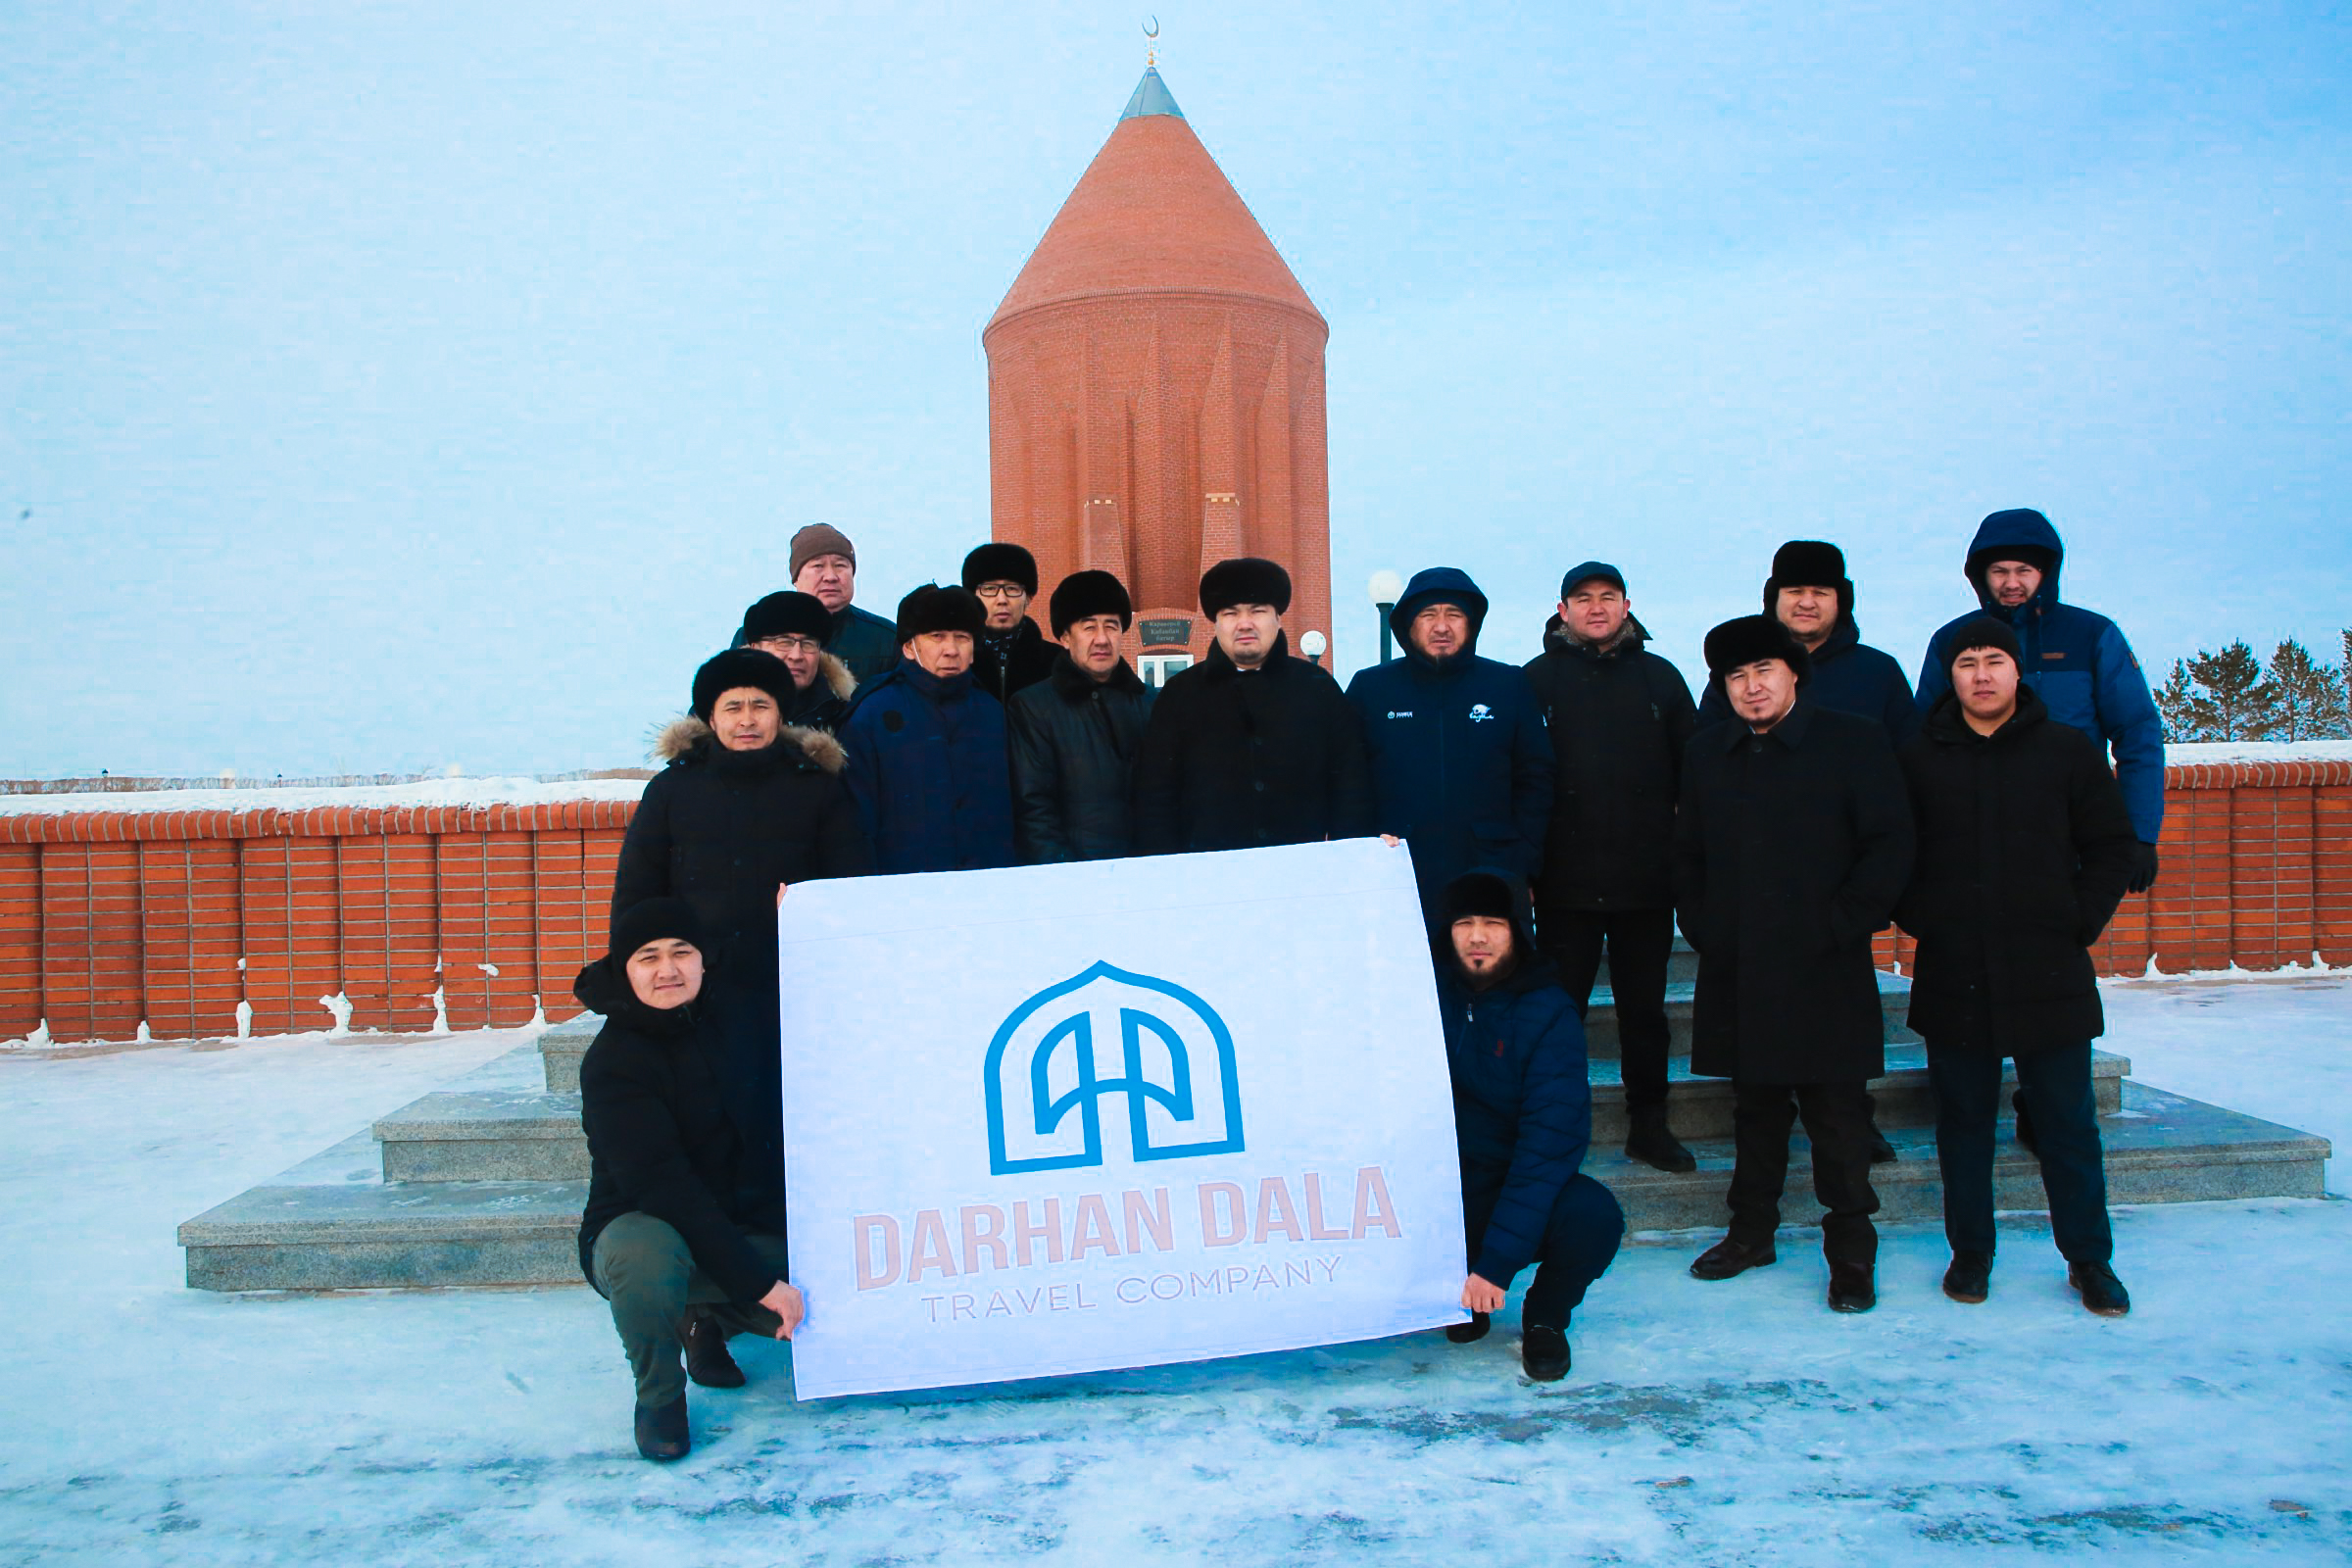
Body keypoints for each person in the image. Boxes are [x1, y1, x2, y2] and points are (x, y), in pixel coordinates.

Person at [1897, 619, 2139, 1315]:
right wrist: (1929, 919)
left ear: (2018, 670)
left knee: (2066, 1124)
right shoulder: (1917, 757)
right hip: (1955, 969)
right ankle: (1971, 1252)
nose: (1981, 674)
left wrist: (2077, 919)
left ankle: (2089, 1259)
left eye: (1994, 660)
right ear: (1950, 675)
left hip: (2049, 970)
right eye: (1966, 662)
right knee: (1963, 1124)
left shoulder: (2066, 750)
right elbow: (1891, 852)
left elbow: (2111, 845)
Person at [1675, 615, 1914, 1312]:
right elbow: (1687, 853)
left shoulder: (1851, 740)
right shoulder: (1708, 752)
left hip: (1824, 963)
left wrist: (1841, 923)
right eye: (1737, 676)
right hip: (1741, 963)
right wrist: (1707, 927)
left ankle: (1852, 1250)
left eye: (1764, 672)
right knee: (1755, 1108)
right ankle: (1751, 1232)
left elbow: (1890, 843)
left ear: (1794, 676)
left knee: (1837, 1114)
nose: (1751, 687)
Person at [612, 648, 871, 1197]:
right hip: (699, 988)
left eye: (760, 705)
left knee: (786, 1110)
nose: (747, 720)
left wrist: (814, 913)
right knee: (709, 1112)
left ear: (780, 713)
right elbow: (637, 890)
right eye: (733, 707)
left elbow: (850, 885)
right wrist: (636, 973)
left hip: (790, 985)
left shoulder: (815, 786)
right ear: (711, 716)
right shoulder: (672, 790)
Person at [575, 898, 802, 1462]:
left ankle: (706, 1319)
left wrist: (805, 917)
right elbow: (663, 1188)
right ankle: (659, 1396)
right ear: (624, 969)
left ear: (704, 960)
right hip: (646, 1225)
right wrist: (763, 1286)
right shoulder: (613, 1062)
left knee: (845, 1278)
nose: (668, 969)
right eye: (648, 957)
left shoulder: (738, 1022)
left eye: (682, 952)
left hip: (737, 1221)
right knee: (646, 1254)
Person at [1522, 562, 1699, 1173]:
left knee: (1644, 1015)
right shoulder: (1535, 680)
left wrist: (1682, 857)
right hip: (1563, 885)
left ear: (1626, 605)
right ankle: (1555, 1126)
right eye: (1582, 598)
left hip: (1645, 883)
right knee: (1558, 1014)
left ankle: (1649, 1125)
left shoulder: (1660, 678)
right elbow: (1519, 775)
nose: (1595, 607)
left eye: (1607, 596)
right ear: (1562, 610)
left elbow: (1694, 775)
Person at [1435, 868, 1626, 1382]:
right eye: (1464, 923)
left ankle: (1544, 1318)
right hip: (1440, 1186)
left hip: (1510, 1179)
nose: (1477, 936)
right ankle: (1457, 1299)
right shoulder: (1421, 994)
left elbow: (1547, 1146)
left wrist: (1496, 1263)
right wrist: (1373, 862)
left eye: (1493, 924)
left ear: (1517, 931)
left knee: (1592, 1216)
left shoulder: (1547, 1012)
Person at [1916, 509, 2164, 881]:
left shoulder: (2091, 635)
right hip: (1970, 835)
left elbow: (2137, 732)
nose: (2011, 583)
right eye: (1999, 571)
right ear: (1981, 575)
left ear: (2045, 572)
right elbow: (1922, 738)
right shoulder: (1952, 639)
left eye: (2023, 571)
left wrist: (2139, 832)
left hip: (2071, 835)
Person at [1345, 567, 1551, 925]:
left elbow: (1537, 778)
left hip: (1493, 872)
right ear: (1408, 626)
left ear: (1472, 624)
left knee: (1491, 963)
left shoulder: (1508, 684)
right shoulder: (1371, 689)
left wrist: (1524, 864)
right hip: (1396, 872)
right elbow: (1347, 780)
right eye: (1428, 615)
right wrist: (1363, 849)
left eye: (1454, 615)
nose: (1441, 626)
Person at [1133, 558, 1375, 855]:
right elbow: (1156, 797)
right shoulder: (1180, 694)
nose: (1245, 623)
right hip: (1207, 872)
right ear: (1216, 623)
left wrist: (1348, 858)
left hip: (1303, 869)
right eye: (1231, 613)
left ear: (1278, 618)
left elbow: (1351, 788)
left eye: (1258, 611)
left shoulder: (1317, 687)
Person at [838, 583, 1016, 874]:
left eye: (962, 638)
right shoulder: (872, 713)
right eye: (937, 637)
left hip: (987, 884)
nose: (951, 650)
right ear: (909, 647)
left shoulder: (992, 713)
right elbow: (856, 822)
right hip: (904, 886)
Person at [1698, 540, 1919, 745]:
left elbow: (1908, 753)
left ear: (1841, 601)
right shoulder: (1739, 670)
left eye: (1820, 593)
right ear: (1774, 598)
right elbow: (1707, 749)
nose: (1806, 603)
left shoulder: (1879, 671)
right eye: (1795, 592)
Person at [1007, 568, 1155, 862]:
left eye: (1111, 626)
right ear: (1065, 637)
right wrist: (1064, 872)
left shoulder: (1150, 703)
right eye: (1088, 627)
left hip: (1145, 871)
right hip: (1074, 874)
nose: (1102, 639)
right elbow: (1034, 807)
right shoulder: (1033, 707)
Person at [744, 523, 899, 685]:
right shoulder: (756, 632)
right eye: (818, 566)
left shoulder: (886, 639)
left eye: (840, 565)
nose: (830, 577)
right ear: (795, 578)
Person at [739, 589, 857, 732]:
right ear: (755, 649)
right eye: (783, 643)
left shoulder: (849, 716)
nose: (796, 656)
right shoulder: (722, 721)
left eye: (808, 644)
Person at [962, 541, 1057, 704]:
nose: (1002, 600)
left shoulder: (1057, 663)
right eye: (989, 589)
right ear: (973, 597)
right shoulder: (957, 661)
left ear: (1028, 598)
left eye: (1012, 589)